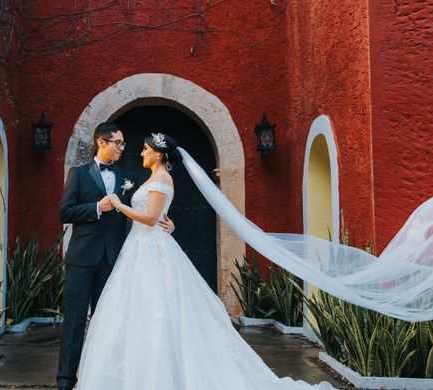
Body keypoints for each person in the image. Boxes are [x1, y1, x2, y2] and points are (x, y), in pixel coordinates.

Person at [74, 132, 331, 389]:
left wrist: (118, 204)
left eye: (145, 149)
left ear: (158, 154)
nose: (141, 153)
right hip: (138, 248)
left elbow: (151, 219)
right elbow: (148, 217)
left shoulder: (163, 178)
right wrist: (148, 217)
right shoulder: (152, 179)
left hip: (152, 251)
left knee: (158, 312)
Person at [56, 123, 174, 390]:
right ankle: (65, 381)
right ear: (102, 142)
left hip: (115, 260)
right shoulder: (78, 174)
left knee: (107, 326)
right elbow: (65, 212)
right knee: (74, 323)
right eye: (118, 143)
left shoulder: (127, 176)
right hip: (82, 259)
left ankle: (100, 380)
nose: (123, 147)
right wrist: (97, 207)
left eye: (123, 143)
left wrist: (168, 221)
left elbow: (148, 205)